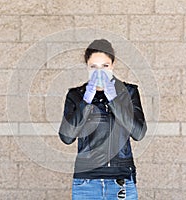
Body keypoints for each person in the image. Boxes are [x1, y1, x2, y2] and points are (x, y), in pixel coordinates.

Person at [58, 39, 147, 200]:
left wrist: (114, 100)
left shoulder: (129, 92)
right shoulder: (76, 95)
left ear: (112, 65)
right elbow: (67, 136)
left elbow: (138, 133)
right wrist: (85, 102)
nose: (100, 72)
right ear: (87, 66)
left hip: (121, 178)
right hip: (86, 180)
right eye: (94, 67)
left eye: (105, 66)